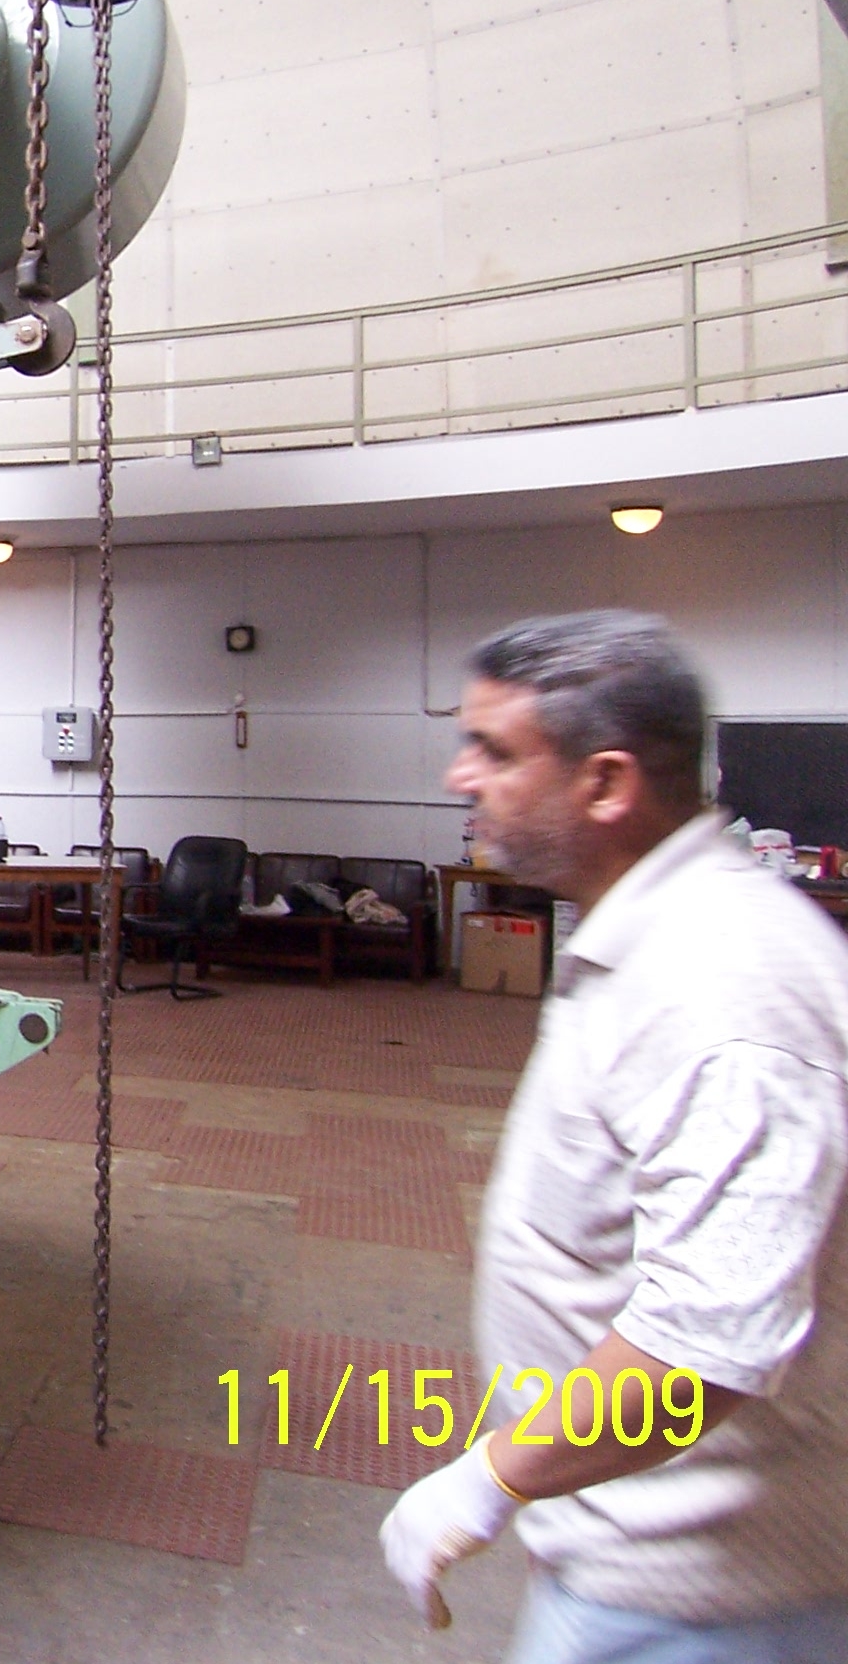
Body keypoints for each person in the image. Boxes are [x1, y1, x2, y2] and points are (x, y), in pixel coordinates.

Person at [381, 611, 848, 1660]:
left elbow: (704, 1345)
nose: (459, 777)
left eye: (494, 751)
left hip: (698, 1595)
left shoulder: (721, 984)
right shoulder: (650, 936)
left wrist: (491, 1477)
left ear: (605, 783)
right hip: (621, 1542)